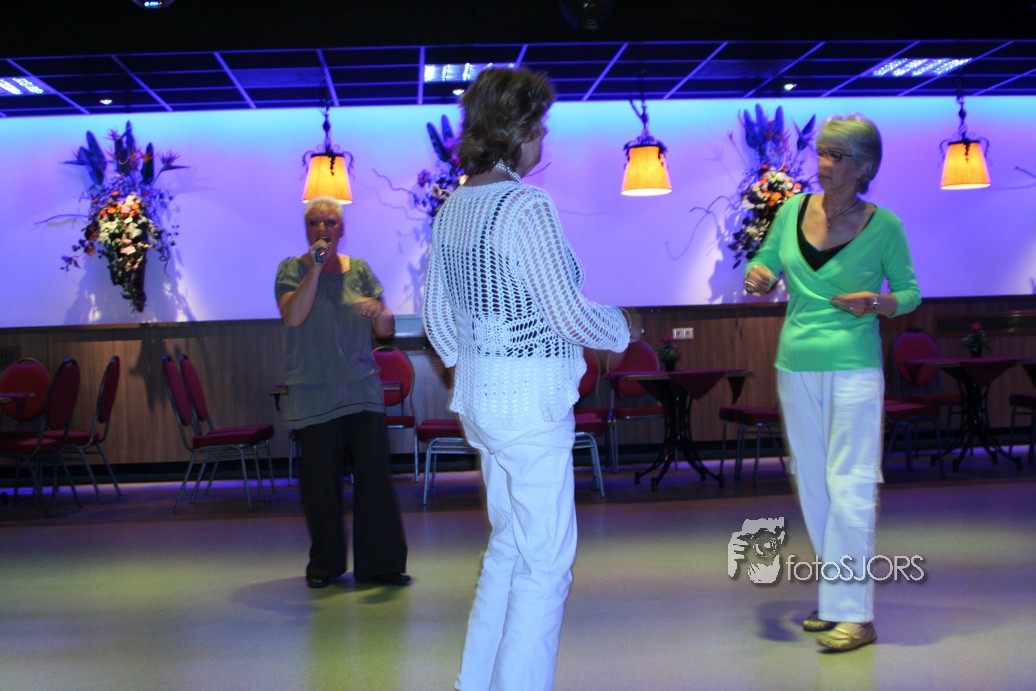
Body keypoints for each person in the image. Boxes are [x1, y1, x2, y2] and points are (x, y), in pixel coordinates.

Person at [422, 67, 641, 690]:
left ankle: (476, 682)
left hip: (483, 406)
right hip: (530, 407)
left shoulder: (455, 205)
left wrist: (480, 364)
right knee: (546, 566)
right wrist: (626, 328)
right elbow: (567, 313)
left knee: (509, 550)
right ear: (517, 132)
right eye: (539, 127)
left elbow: (437, 322)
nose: (543, 137)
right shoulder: (524, 205)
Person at [743, 114, 920, 652]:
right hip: (795, 362)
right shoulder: (791, 211)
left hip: (854, 365)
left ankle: (857, 615)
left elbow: (909, 292)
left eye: (836, 156)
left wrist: (878, 302)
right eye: (820, 152)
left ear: (864, 167)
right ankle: (837, 596)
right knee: (814, 483)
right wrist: (758, 274)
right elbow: (765, 262)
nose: (823, 164)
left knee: (851, 483)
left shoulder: (885, 226)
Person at [275, 196, 410, 589]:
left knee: (375, 479)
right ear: (306, 229)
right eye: (315, 222)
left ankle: (381, 564)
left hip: (361, 389)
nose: (323, 228)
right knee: (320, 485)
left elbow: (386, 329)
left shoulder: (360, 269)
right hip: (314, 393)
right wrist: (316, 268)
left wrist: (378, 311)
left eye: (330, 222)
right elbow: (294, 315)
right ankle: (325, 564)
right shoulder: (291, 269)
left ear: (342, 228)